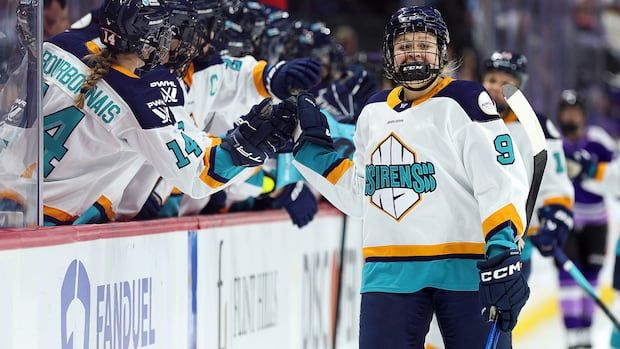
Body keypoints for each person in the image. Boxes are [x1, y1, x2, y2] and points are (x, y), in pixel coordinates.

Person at [289, 6, 529, 348]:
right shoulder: (373, 111)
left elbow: (499, 178)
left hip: (465, 269)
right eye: (404, 46)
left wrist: (502, 245)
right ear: (390, 54)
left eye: (424, 44)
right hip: (388, 273)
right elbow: (364, 195)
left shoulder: (465, 100)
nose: (414, 53)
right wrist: (314, 158)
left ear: (442, 52)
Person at [41, 0, 296, 225]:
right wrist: (245, 147)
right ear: (147, 37)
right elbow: (197, 174)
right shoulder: (141, 96)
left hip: (12, 206)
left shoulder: (58, 45)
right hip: (52, 228)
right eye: (167, 30)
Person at [480, 51, 574, 280]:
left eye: (505, 83)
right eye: (492, 80)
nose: (496, 87)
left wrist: (556, 214)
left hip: (516, 246)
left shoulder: (536, 126)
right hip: (467, 244)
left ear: (519, 87)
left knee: (503, 314)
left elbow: (554, 179)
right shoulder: (467, 119)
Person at [558, 89, 615, 349]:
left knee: (591, 277)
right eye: (566, 111)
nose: (571, 116)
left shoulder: (598, 140)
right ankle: (573, 338)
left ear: (583, 114)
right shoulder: (554, 142)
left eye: (575, 111)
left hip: (597, 223)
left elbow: (615, 179)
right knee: (568, 278)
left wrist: (593, 171)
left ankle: (586, 338)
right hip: (568, 221)